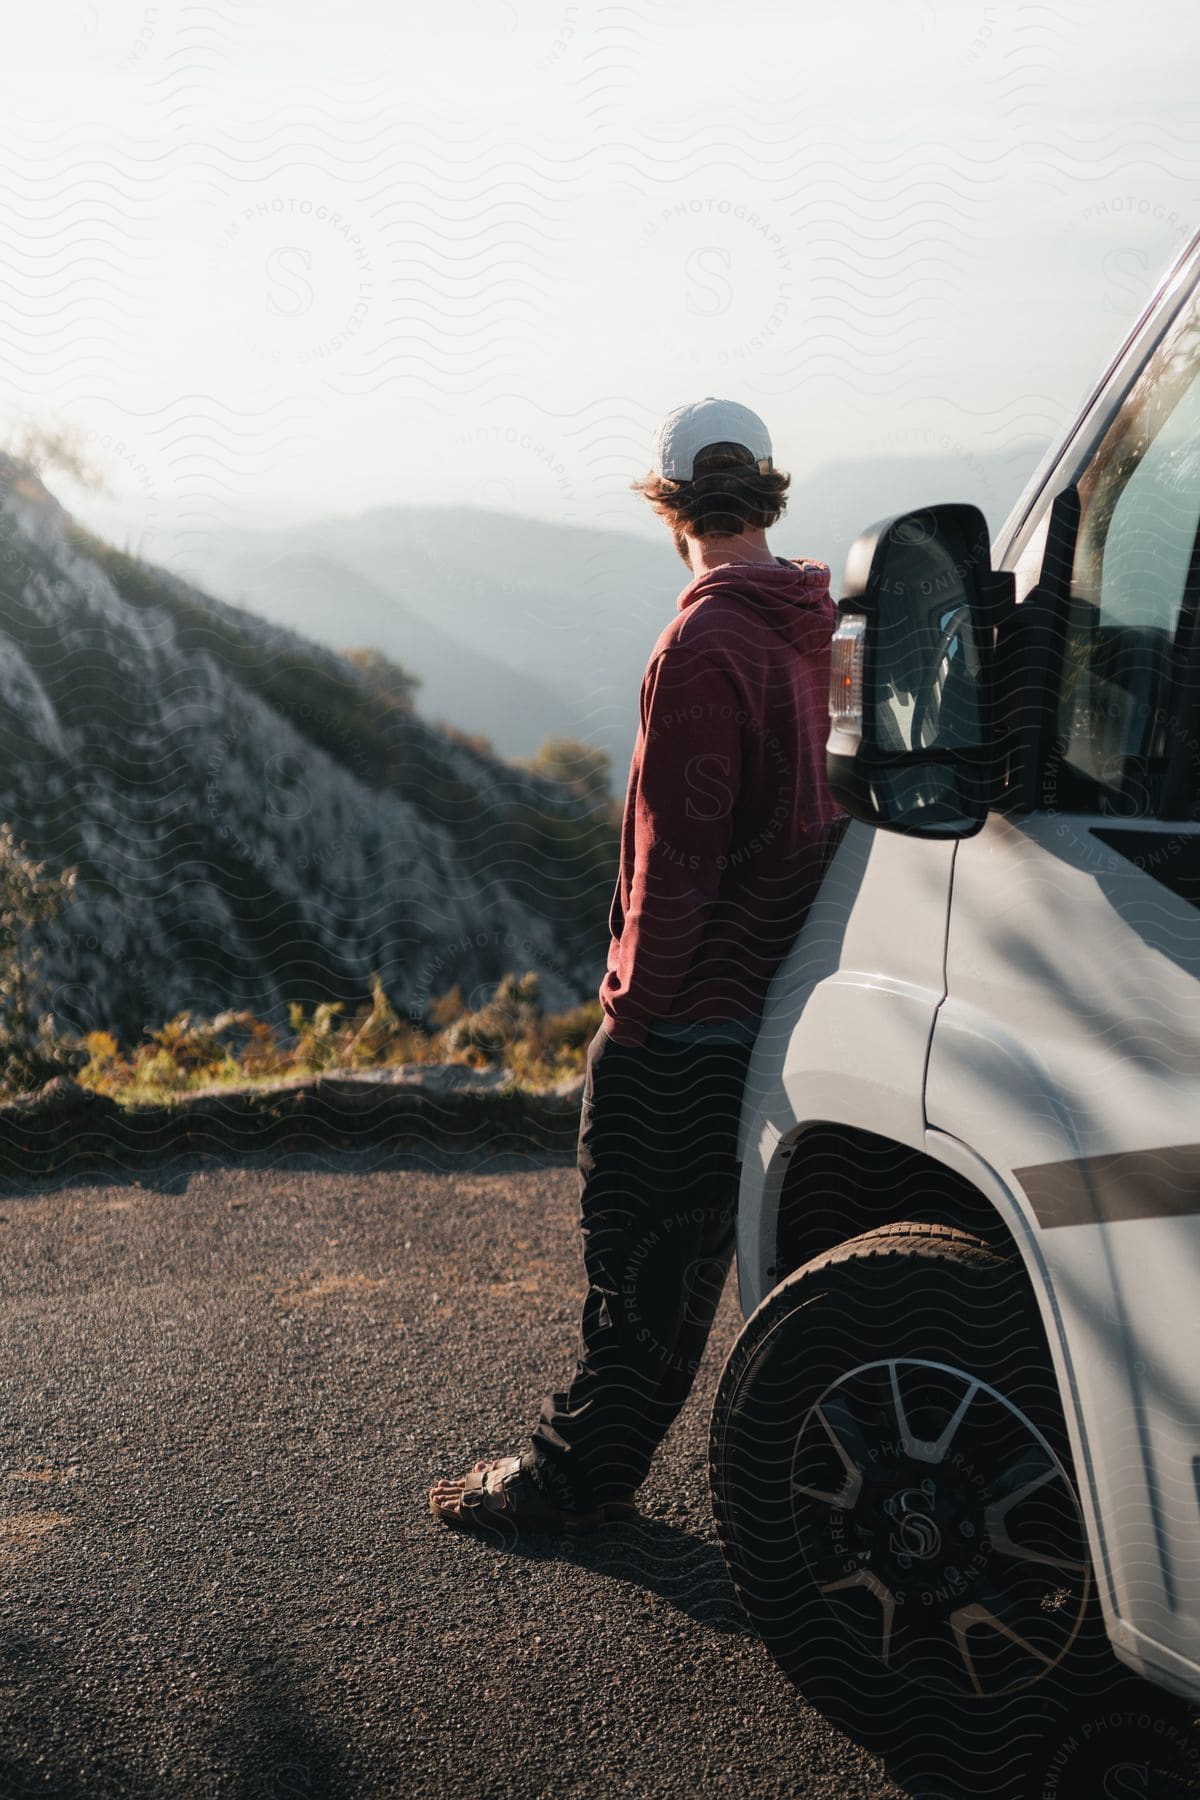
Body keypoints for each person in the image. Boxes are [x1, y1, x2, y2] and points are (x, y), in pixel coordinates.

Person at [429, 397, 844, 1535]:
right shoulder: (819, 624)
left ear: (667, 504)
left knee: (637, 1278)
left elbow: (678, 862)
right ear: (770, 491)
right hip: (784, 996)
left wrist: (631, 1010)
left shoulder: (701, 645)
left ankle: (569, 1483)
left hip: (692, 1012)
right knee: (698, 1269)